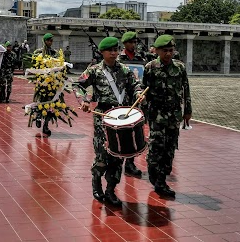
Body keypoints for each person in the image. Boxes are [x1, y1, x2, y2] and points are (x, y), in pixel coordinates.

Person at [77, 36, 144, 206]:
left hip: (122, 116)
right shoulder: (94, 70)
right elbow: (78, 85)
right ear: (102, 53)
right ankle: (97, 184)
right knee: (102, 155)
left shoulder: (125, 70)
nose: (114, 53)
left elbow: (135, 85)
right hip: (103, 117)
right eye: (110, 51)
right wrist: (84, 100)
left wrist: (139, 94)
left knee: (118, 155)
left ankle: (111, 190)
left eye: (116, 50)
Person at [143, 34, 192, 198]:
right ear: (157, 51)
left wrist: (188, 110)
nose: (169, 54)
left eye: (171, 50)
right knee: (156, 147)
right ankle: (153, 173)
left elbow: (186, 90)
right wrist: (143, 112)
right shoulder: (150, 67)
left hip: (174, 116)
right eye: (165, 51)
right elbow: (143, 91)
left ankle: (161, 180)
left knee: (170, 149)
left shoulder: (179, 68)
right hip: (156, 116)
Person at [117, 31, 145, 177]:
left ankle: (130, 163)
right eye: (130, 42)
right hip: (120, 99)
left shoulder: (141, 58)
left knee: (133, 131)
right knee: (120, 132)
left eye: (135, 42)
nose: (133, 45)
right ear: (125, 43)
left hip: (136, 98)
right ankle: (117, 161)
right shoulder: (119, 58)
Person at [33, 33, 58, 136]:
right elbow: (34, 66)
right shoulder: (38, 52)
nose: (50, 42)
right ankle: (38, 117)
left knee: (51, 104)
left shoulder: (54, 53)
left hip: (52, 83)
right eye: (48, 40)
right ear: (44, 41)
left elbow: (59, 65)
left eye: (51, 41)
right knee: (40, 101)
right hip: (41, 83)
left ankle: (46, 125)